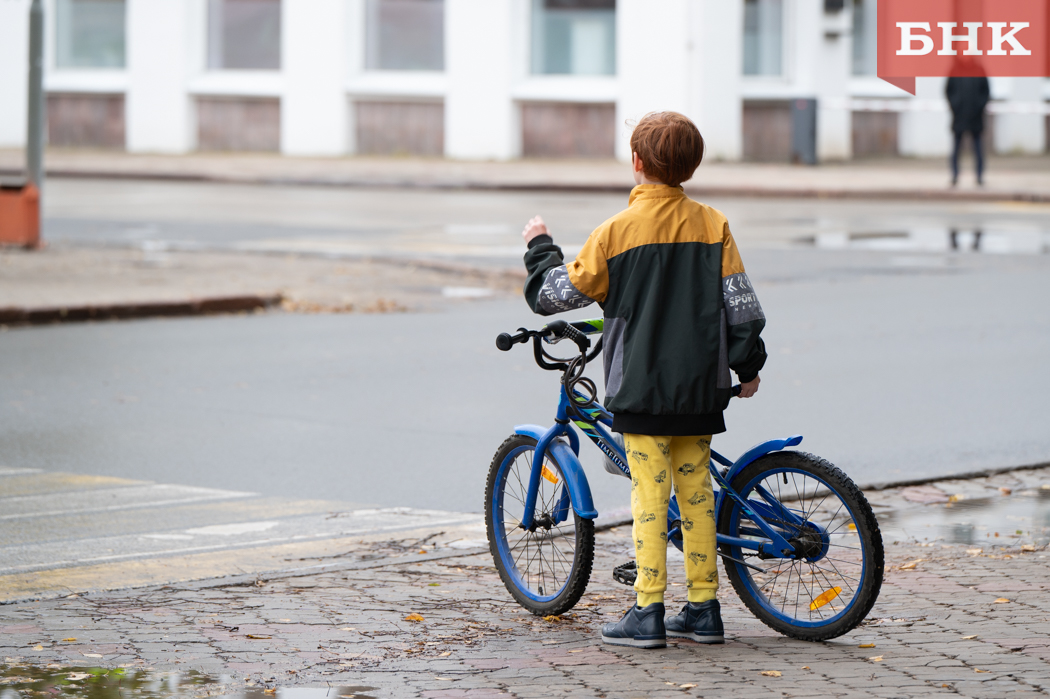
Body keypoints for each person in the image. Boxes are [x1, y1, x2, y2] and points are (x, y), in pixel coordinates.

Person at [520, 112, 767, 649]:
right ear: (692, 167)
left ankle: (647, 611)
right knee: (697, 495)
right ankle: (703, 609)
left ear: (637, 163)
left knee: (649, 497)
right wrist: (747, 367)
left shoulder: (616, 233)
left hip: (641, 390)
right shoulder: (713, 225)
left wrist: (541, 248)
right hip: (700, 389)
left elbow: (554, 296)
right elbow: (741, 305)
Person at [946, 73, 990, 186]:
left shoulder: (979, 71)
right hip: (959, 116)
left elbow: (986, 92)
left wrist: (979, 107)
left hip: (976, 117)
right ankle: (955, 175)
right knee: (956, 148)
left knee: (978, 148)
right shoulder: (955, 71)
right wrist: (955, 105)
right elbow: (948, 91)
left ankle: (979, 176)